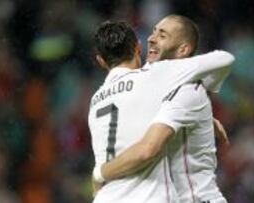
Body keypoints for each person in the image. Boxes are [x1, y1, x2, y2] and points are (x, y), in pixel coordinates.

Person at [88, 20, 234, 203]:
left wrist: (99, 173)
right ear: (138, 48)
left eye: (162, 35)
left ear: (100, 60)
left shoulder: (94, 101)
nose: (152, 39)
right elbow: (223, 59)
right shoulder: (154, 77)